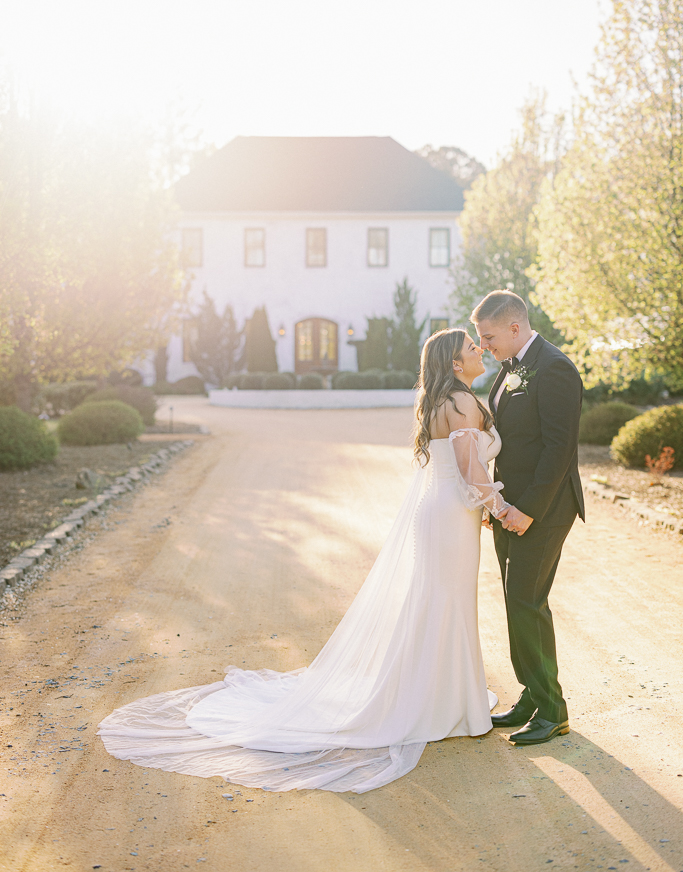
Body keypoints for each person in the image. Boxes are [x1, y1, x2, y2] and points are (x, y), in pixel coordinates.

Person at [98, 328, 510, 794]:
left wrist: (478, 505)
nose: (479, 350)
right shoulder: (463, 403)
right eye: (472, 348)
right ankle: (448, 703)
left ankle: (439, 697)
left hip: (441, 513)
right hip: (451, 517)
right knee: (447, 602)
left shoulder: (440, 401)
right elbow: (471, 470)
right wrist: (501, 509)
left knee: (435, 601)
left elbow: (456, 470)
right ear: (456, 364)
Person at [472, 290, 584, 746]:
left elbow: (560, 449)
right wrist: (497, 505)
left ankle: (553, 711)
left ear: (515, 327)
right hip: (510, 508)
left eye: (488, 336)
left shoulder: (555, 368)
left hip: (544, 509)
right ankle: (532, 696)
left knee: (527, 603)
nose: (482, 345)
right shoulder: (511, 367)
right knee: (517, 603)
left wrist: (528, 511)